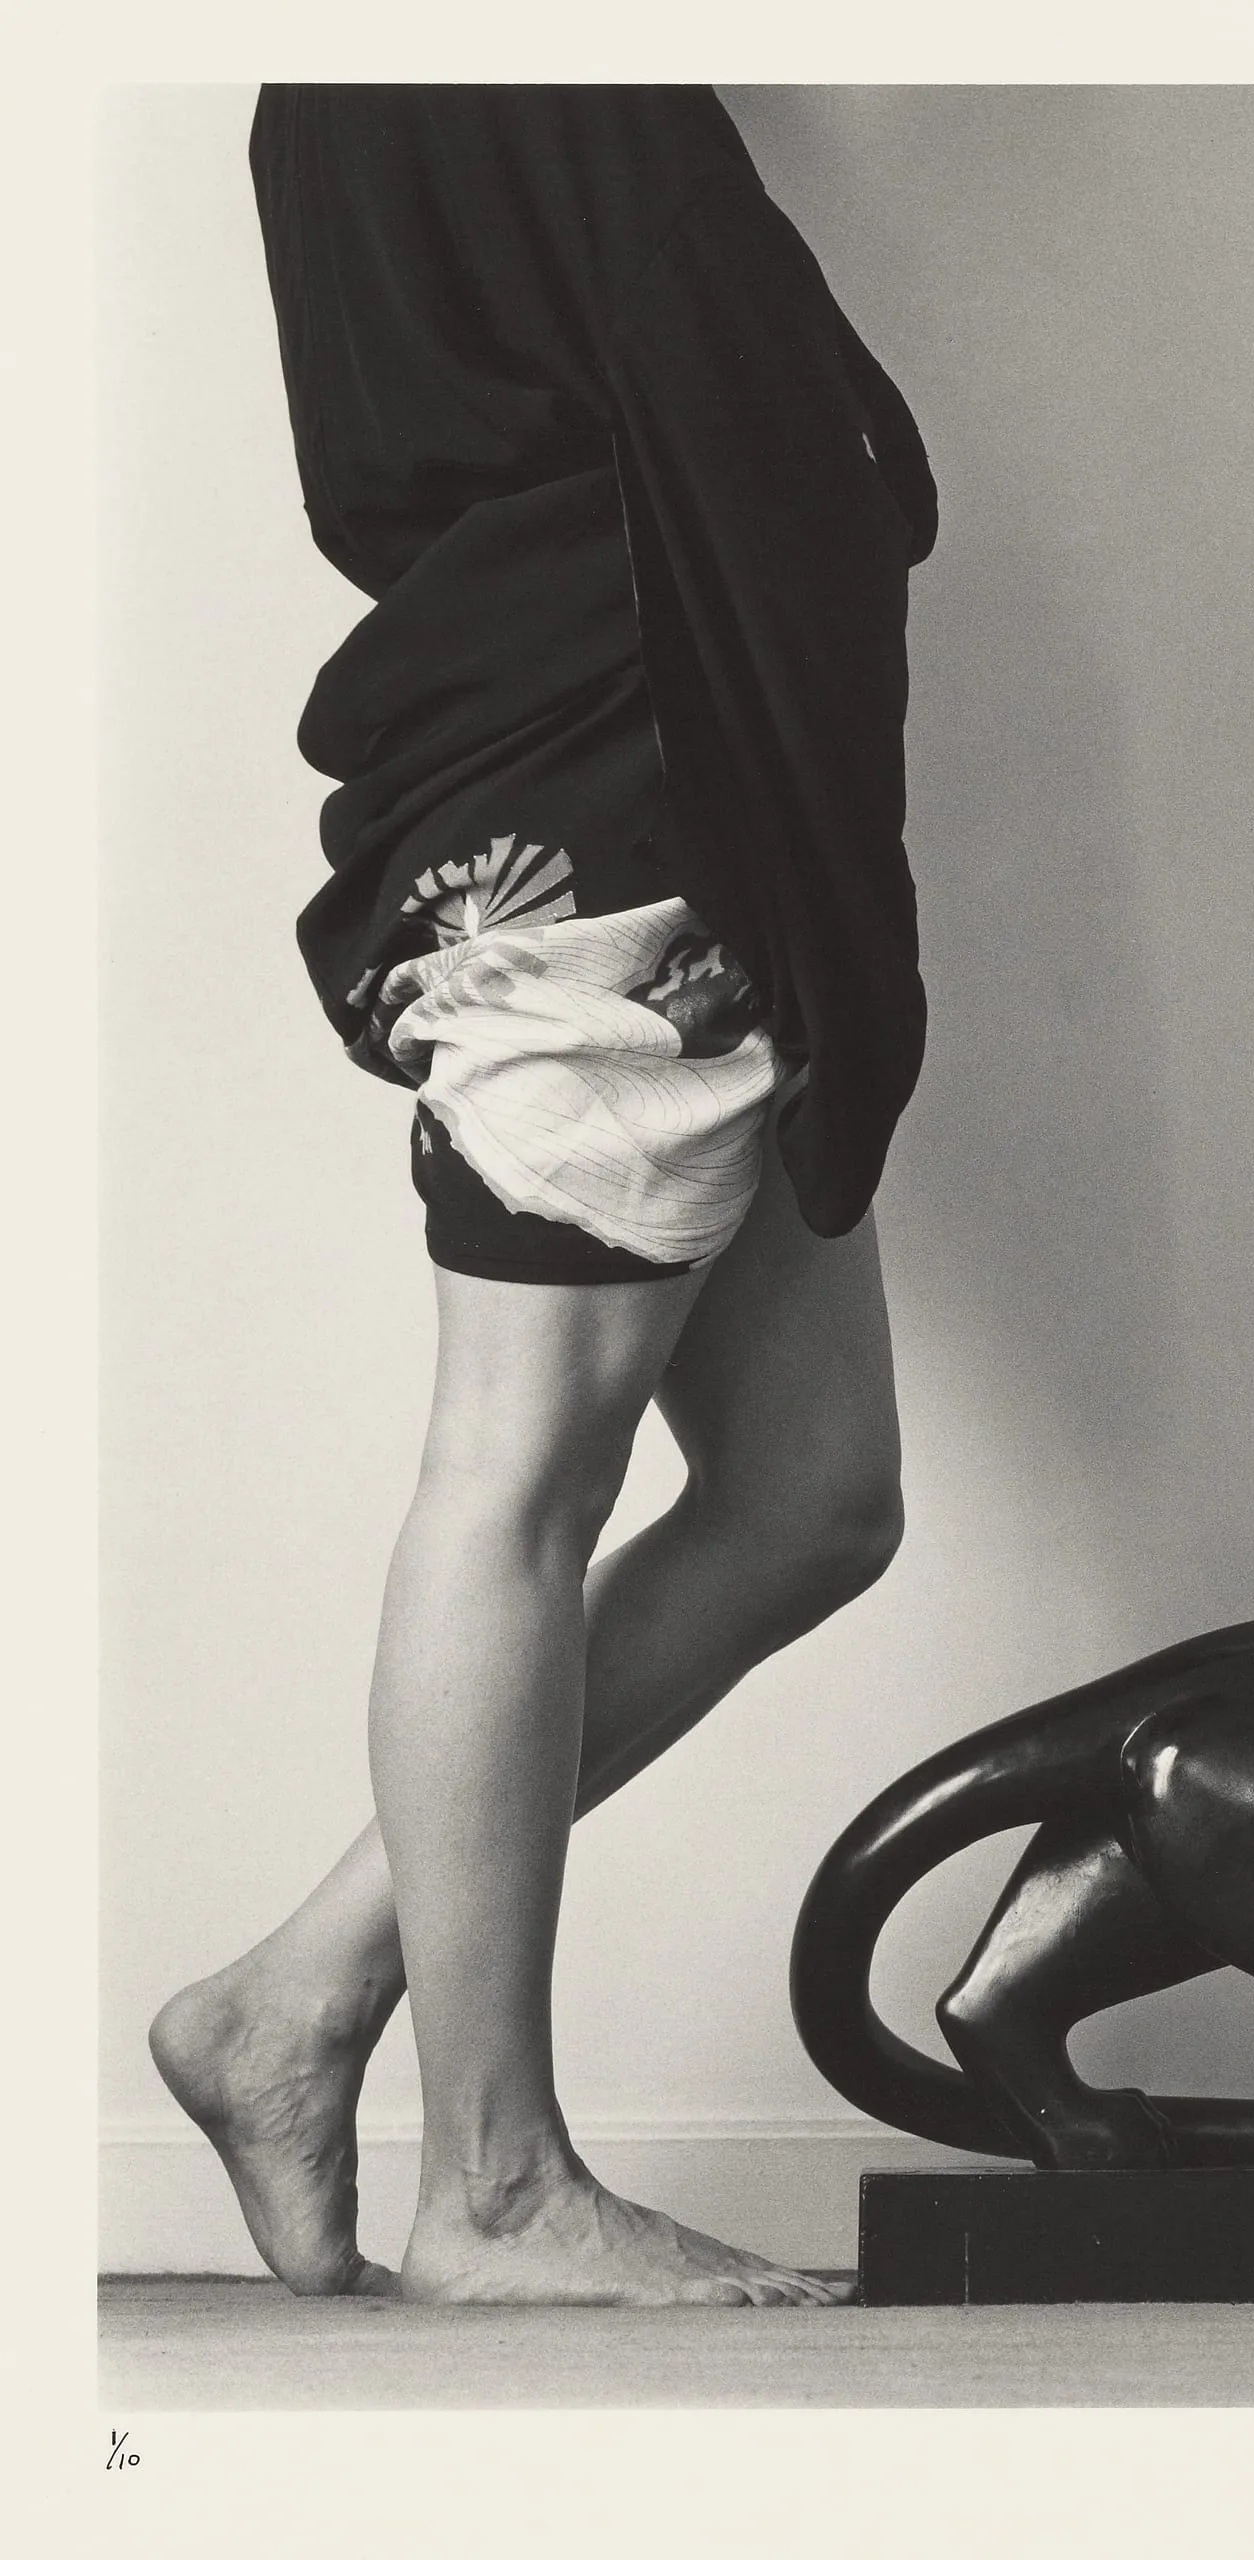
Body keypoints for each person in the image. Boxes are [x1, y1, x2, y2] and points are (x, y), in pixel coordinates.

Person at [148, 86, 938, 2308]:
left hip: (610, 758)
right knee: (517, 1466)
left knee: (811, 1490)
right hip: (628, 779)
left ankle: (293, 2001)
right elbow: (743, 433)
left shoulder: (329, 97)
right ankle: (493, 2182)